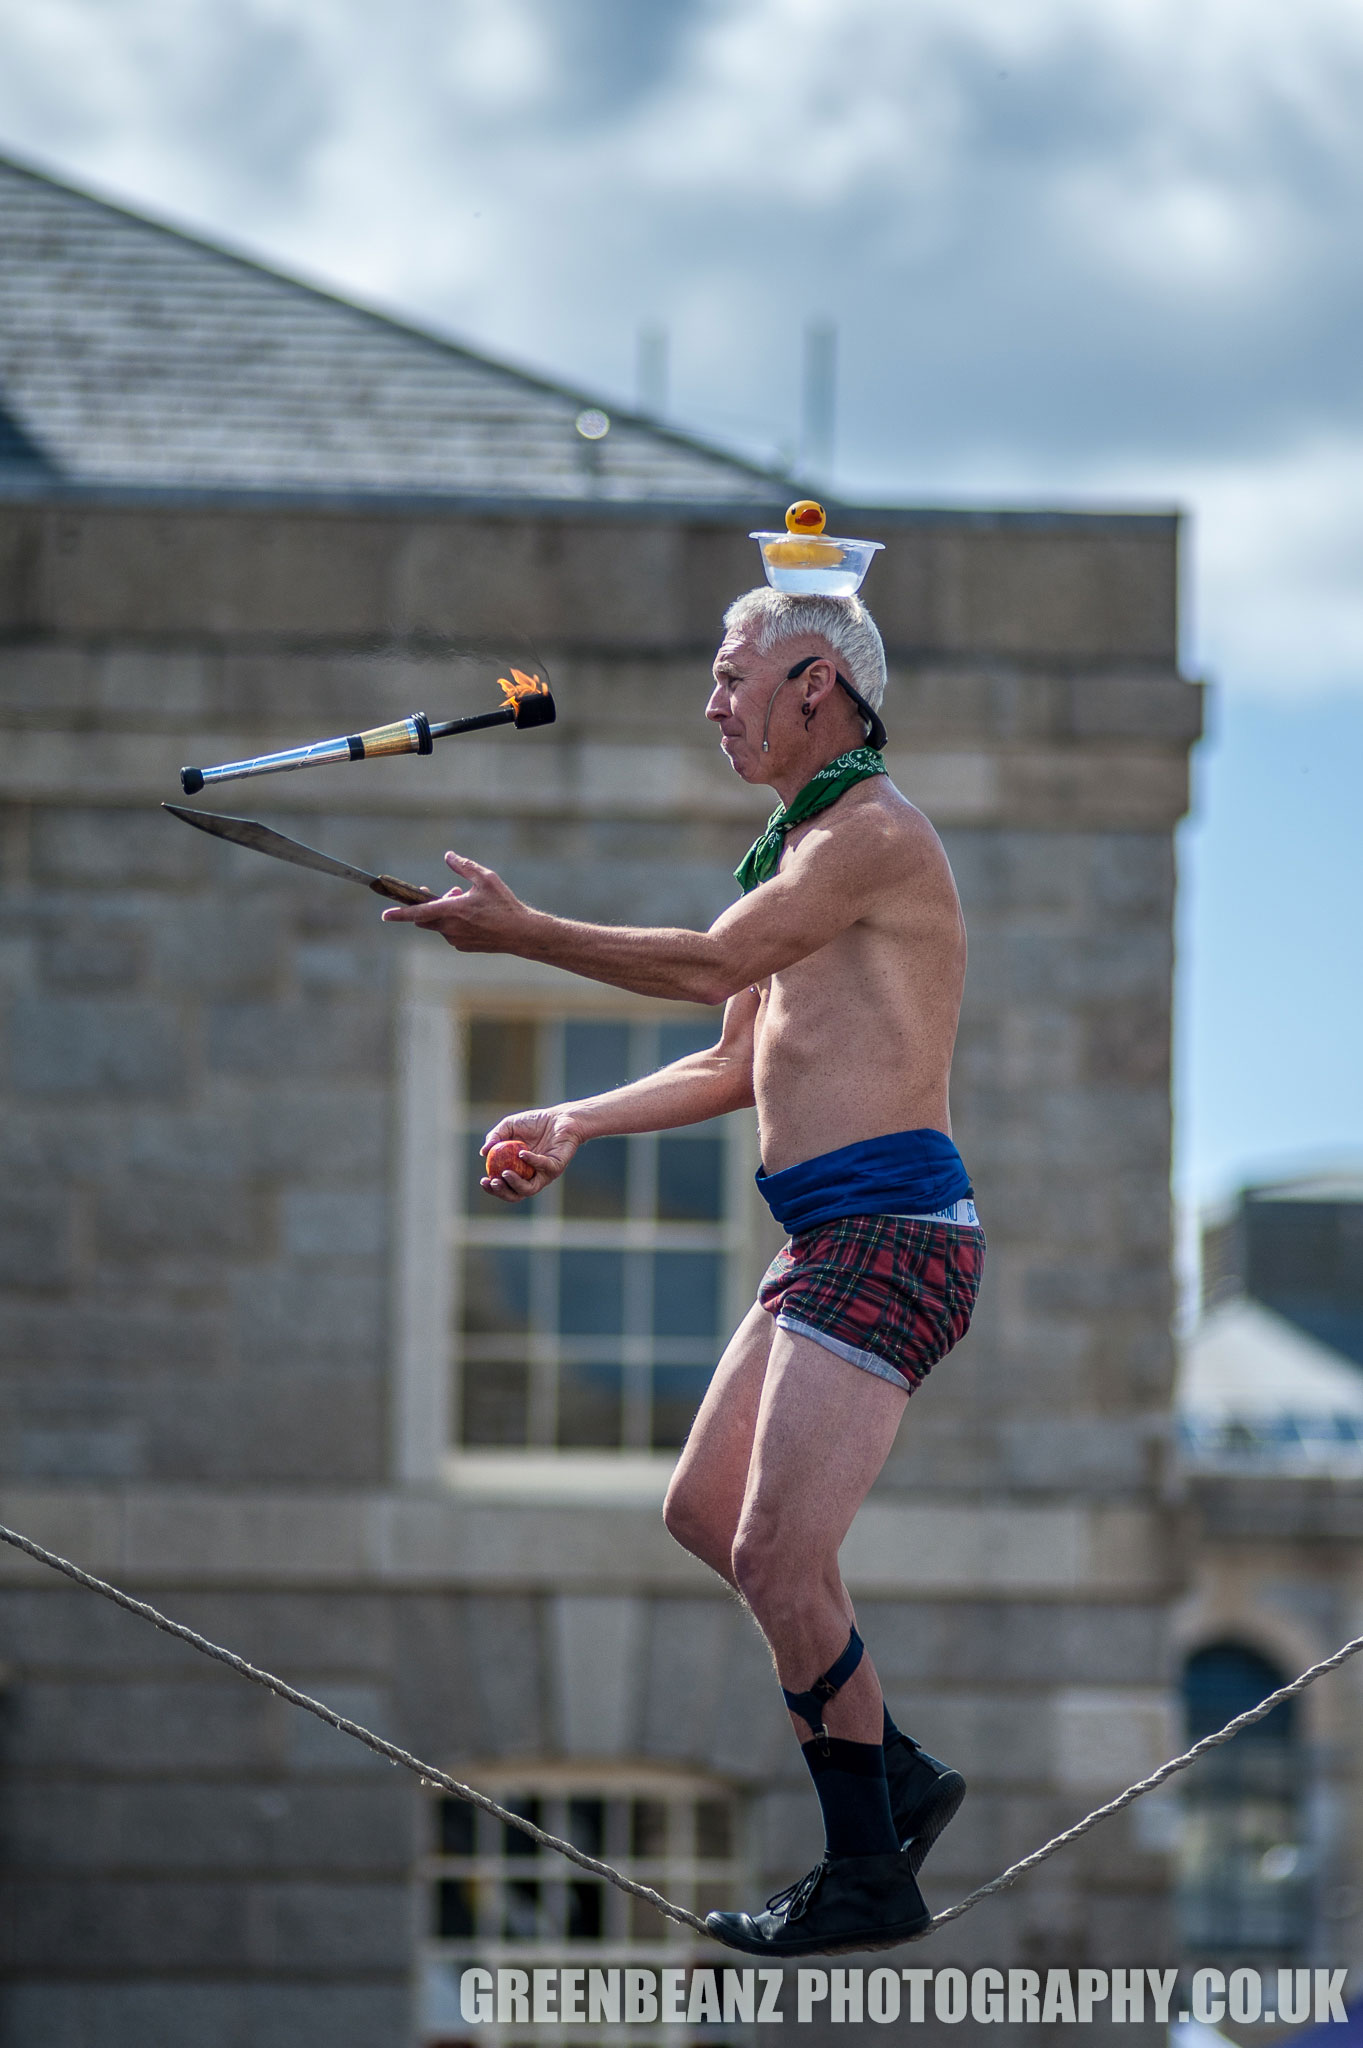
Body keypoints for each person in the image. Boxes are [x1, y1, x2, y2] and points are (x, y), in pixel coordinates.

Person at [382, 586, 984, 1956]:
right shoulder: (799, 849)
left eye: (731, 679)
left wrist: (524, 931)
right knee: (707, 1509)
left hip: (896, 1238)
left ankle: (866, 1872)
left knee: (781, 1551)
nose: (712, 704)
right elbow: (729, 1054)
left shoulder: (872, 840)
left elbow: (712, 959)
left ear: (816, 682)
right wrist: (574, 1122)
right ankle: (894, 1774)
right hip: (828, 1242)